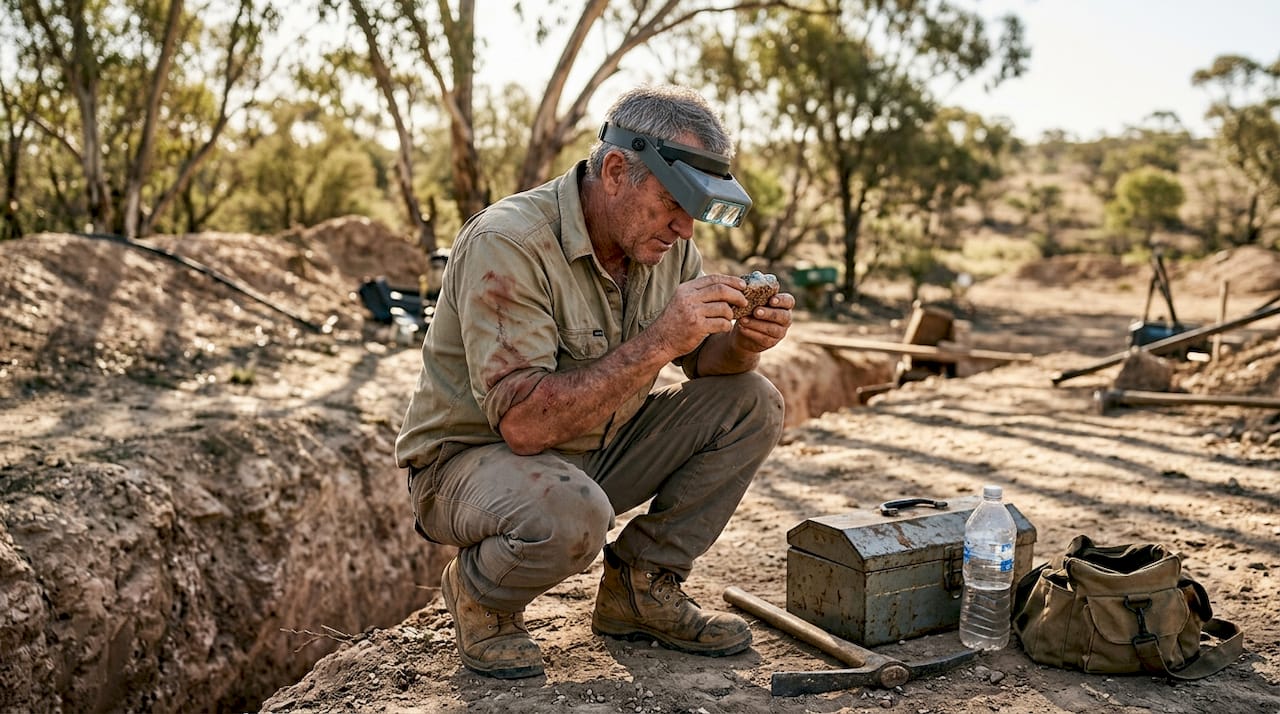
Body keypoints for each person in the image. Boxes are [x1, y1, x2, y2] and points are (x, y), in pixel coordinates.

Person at [395, 83, 793, 680]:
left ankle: (640, 588)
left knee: (752, 400)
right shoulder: (509, 241)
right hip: (472, 462)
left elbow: (706, 364)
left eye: (695, 210)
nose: (685, 228)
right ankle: (480, 594)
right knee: (574, 513)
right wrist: (661, 339)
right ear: (614, 172)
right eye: (673, 202)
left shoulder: (662, 244)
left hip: (591, 450)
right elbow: (525, 426)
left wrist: (743, 343)